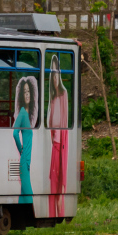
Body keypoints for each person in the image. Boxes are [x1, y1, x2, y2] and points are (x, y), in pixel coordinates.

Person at [47, 57, 69, 217]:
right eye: (52, 74)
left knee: (59, 187)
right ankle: (51, 214)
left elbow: (65, 125)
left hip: (61, 146)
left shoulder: (63, 95)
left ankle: (60, 212)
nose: (55, 78)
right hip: (54, 146)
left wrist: (60, 146)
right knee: (51, 187)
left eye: (57, 74)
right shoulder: (53, 98)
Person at [13, 75, 38, 206]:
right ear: (21, 95)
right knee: (29, 196)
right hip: (24, 161)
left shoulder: (29, 114)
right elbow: (15, 133)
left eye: (28, 91)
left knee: (23, 196)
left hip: (27, 162)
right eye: (25, 92)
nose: (27, 94)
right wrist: (21, 150)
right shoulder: (22, 113)